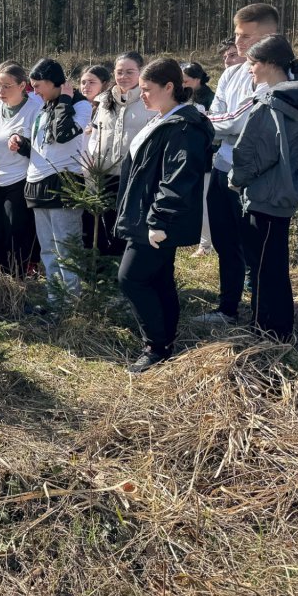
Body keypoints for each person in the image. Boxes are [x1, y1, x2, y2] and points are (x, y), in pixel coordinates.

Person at [114, 59, 214, 372]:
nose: (141, 94)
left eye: (147, 89)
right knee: (158, 277)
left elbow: (178, 177)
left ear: (169, 87)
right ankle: (166, 339)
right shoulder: (164, 118)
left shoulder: (184, 126)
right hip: (146, 215)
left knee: (131, 278)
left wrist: (158, 219)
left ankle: (155, 346)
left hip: (155, 220)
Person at [230, 35, 298, 342]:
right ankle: (278, 328)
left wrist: (235, 179)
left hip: (265, 196)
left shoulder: (273, 102)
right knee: (275, 266)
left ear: (270, 64)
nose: (249, 70)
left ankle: (267, 331)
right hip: (286, 193)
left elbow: (252, 154)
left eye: (252, 63)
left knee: (263, 270)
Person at [193, 3, 281, 326]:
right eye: (236, 35)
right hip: (221, 168)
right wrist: (214, 122)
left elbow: (239, 120)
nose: (238, 42)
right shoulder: (230, 73)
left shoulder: (272, 75)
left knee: (254, 249)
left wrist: (212, 122)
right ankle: (227, 308)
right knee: (224, 241)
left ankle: (261, 315)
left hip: (250, 176)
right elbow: (216, 116)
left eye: (245, 36)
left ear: (268, 35)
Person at [25, 59, 91, 309]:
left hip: (65, 185)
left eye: (38, 85)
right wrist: (22, 145)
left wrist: (64, 100)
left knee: (66, 249)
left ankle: (72, 304)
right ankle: (54, 300)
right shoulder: (43, 109)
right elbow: (43, 146)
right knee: (48, 250)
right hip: (38, 185)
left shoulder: (80, 105)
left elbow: (63, 134)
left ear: (55, 82)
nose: (36, 92)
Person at [85, 52, 151, 257]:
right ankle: (110, 269)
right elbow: (96, 133)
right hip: (105, 173)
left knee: (130, 224)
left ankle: (130, 267)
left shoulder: (148, 100)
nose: (124, 76)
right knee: (107, 224)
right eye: (120, 72)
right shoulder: (104, 100)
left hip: (135, 173)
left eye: (130, 72)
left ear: (141, 72)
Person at [0, 61, 42, 276]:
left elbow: (42, 147)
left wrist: (22, 142)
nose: (0, 91)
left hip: (20, 180)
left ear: (22, 85)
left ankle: (20, 278)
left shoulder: (35, 110)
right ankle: (10, 274)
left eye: (7, 86)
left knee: (16, 235)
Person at [181, 62, 215, 257]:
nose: (182, 84)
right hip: (187, 155)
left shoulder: (210, 100)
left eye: (185, 80)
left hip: (205, 157)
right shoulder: (184, 97)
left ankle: (206, 245)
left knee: (204, 203)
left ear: (197, 79)